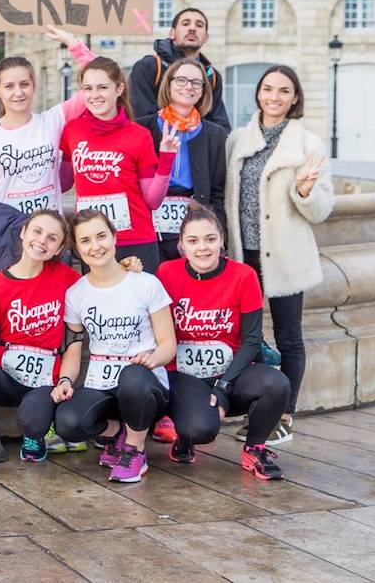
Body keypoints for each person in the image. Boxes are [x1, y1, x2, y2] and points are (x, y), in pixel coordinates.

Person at [225, 65, 333, 445]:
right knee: (247, 337)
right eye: (268, 89)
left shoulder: (308, 144)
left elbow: (321, 210)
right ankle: (257, 409)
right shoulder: (238, 139)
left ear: (295, 98)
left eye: (283, 91)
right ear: (258, 94)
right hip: (244, 257)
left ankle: (284, 416)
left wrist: (304, 190)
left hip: (286, 255)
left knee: (289, 338)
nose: (274, 97)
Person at [158, 204, 288, 479]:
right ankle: (186, 435)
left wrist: (224, 386)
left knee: (276, 384)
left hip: (232, 372)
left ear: (222, 240)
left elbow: (252, 341)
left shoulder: (243, 276)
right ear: (181, 245)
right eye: (193, 241)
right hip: (184, 375)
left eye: (210, 239)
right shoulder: (167, 273)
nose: (202, 248)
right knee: (200, 430)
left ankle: (255, 448)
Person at [0, 210, 81, 477]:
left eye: (51, 238)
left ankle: (35, 435)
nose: (42, 241)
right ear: (23, 233)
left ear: (59, 247)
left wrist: (128, 267)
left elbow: (102, 285)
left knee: (33, 424)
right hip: (7, 377)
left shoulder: (68, 278)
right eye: (36, 232)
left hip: (45, 381)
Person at [53, 209, 177, 484]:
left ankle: (135, 450)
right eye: (85, 241)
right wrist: (64, 379)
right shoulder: (76, 294)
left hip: (145, 384)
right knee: (69, 423)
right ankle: (113, 436)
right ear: (77, 250)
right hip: (102, 382)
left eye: (101, 236)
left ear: (114, 238)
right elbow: (73, 349)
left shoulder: (145, 283)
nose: (95, 246)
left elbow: (168, 344)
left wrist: (151, 359)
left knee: (132, 377)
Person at [0, 28, 93, 273]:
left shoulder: (53, 120)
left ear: (33, 86)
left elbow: (95, 80)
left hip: (53, 235)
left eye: (24, 84)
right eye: (10, 86)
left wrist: (72, 43)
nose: (18, 92)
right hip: (11, 236)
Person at [60, 57, 179, 272]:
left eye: (103, 87)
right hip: (93, 242)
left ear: (119, 89)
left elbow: (152, 201)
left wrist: (167, 159)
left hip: (135, 238)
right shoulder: (72, 130)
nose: (94, 95)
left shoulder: (139, 135)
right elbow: (64, 182)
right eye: (88, 88)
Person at [136, 58, 226, 262]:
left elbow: (217, 192)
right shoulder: (142, 128)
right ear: (168, 85)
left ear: (203, 90)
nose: (188, 86)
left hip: (194, 226)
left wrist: (220, 235)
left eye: (196, 82)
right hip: (149, 222)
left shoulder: (215, 135)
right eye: (181, 80)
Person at [129, 7, 229, 130]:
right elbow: (140, 118)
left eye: (199, 25)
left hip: (195, 146)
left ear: (206, 37)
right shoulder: (149, 67)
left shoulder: (212, 76)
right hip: (155, 145)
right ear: (172, 33)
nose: (192, 28)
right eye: (185, 23)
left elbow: (219, 123)